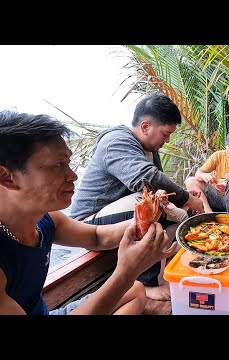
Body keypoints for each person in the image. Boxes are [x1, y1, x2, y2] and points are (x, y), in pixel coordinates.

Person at [0, 110, 177, 315]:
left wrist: (144, 219)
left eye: (68, 163)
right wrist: (127, 272)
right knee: (129, 284)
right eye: (58, 165)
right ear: (7, 177)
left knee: (136, 290)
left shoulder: (45, 221)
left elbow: (96, 236)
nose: (73, 176)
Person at [69, 92, 204, 301]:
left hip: (123, 214)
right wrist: (187, 197)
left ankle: (162, 263)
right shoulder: (116, 141)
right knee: (149, 205)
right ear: (145, 127)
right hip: (89, 223)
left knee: (182, 215)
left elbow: (158, 183)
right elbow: (146, 178)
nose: (167, 141)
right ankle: (143, 284)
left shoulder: (149, 147)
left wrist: (182, 201)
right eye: (165, 134)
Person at [184, 130, 229, 213]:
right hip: (218, 196)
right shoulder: (218, 156)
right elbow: (198, 174)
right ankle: (208, 213)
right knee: (190, 181)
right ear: (226, 146)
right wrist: (205, 176)